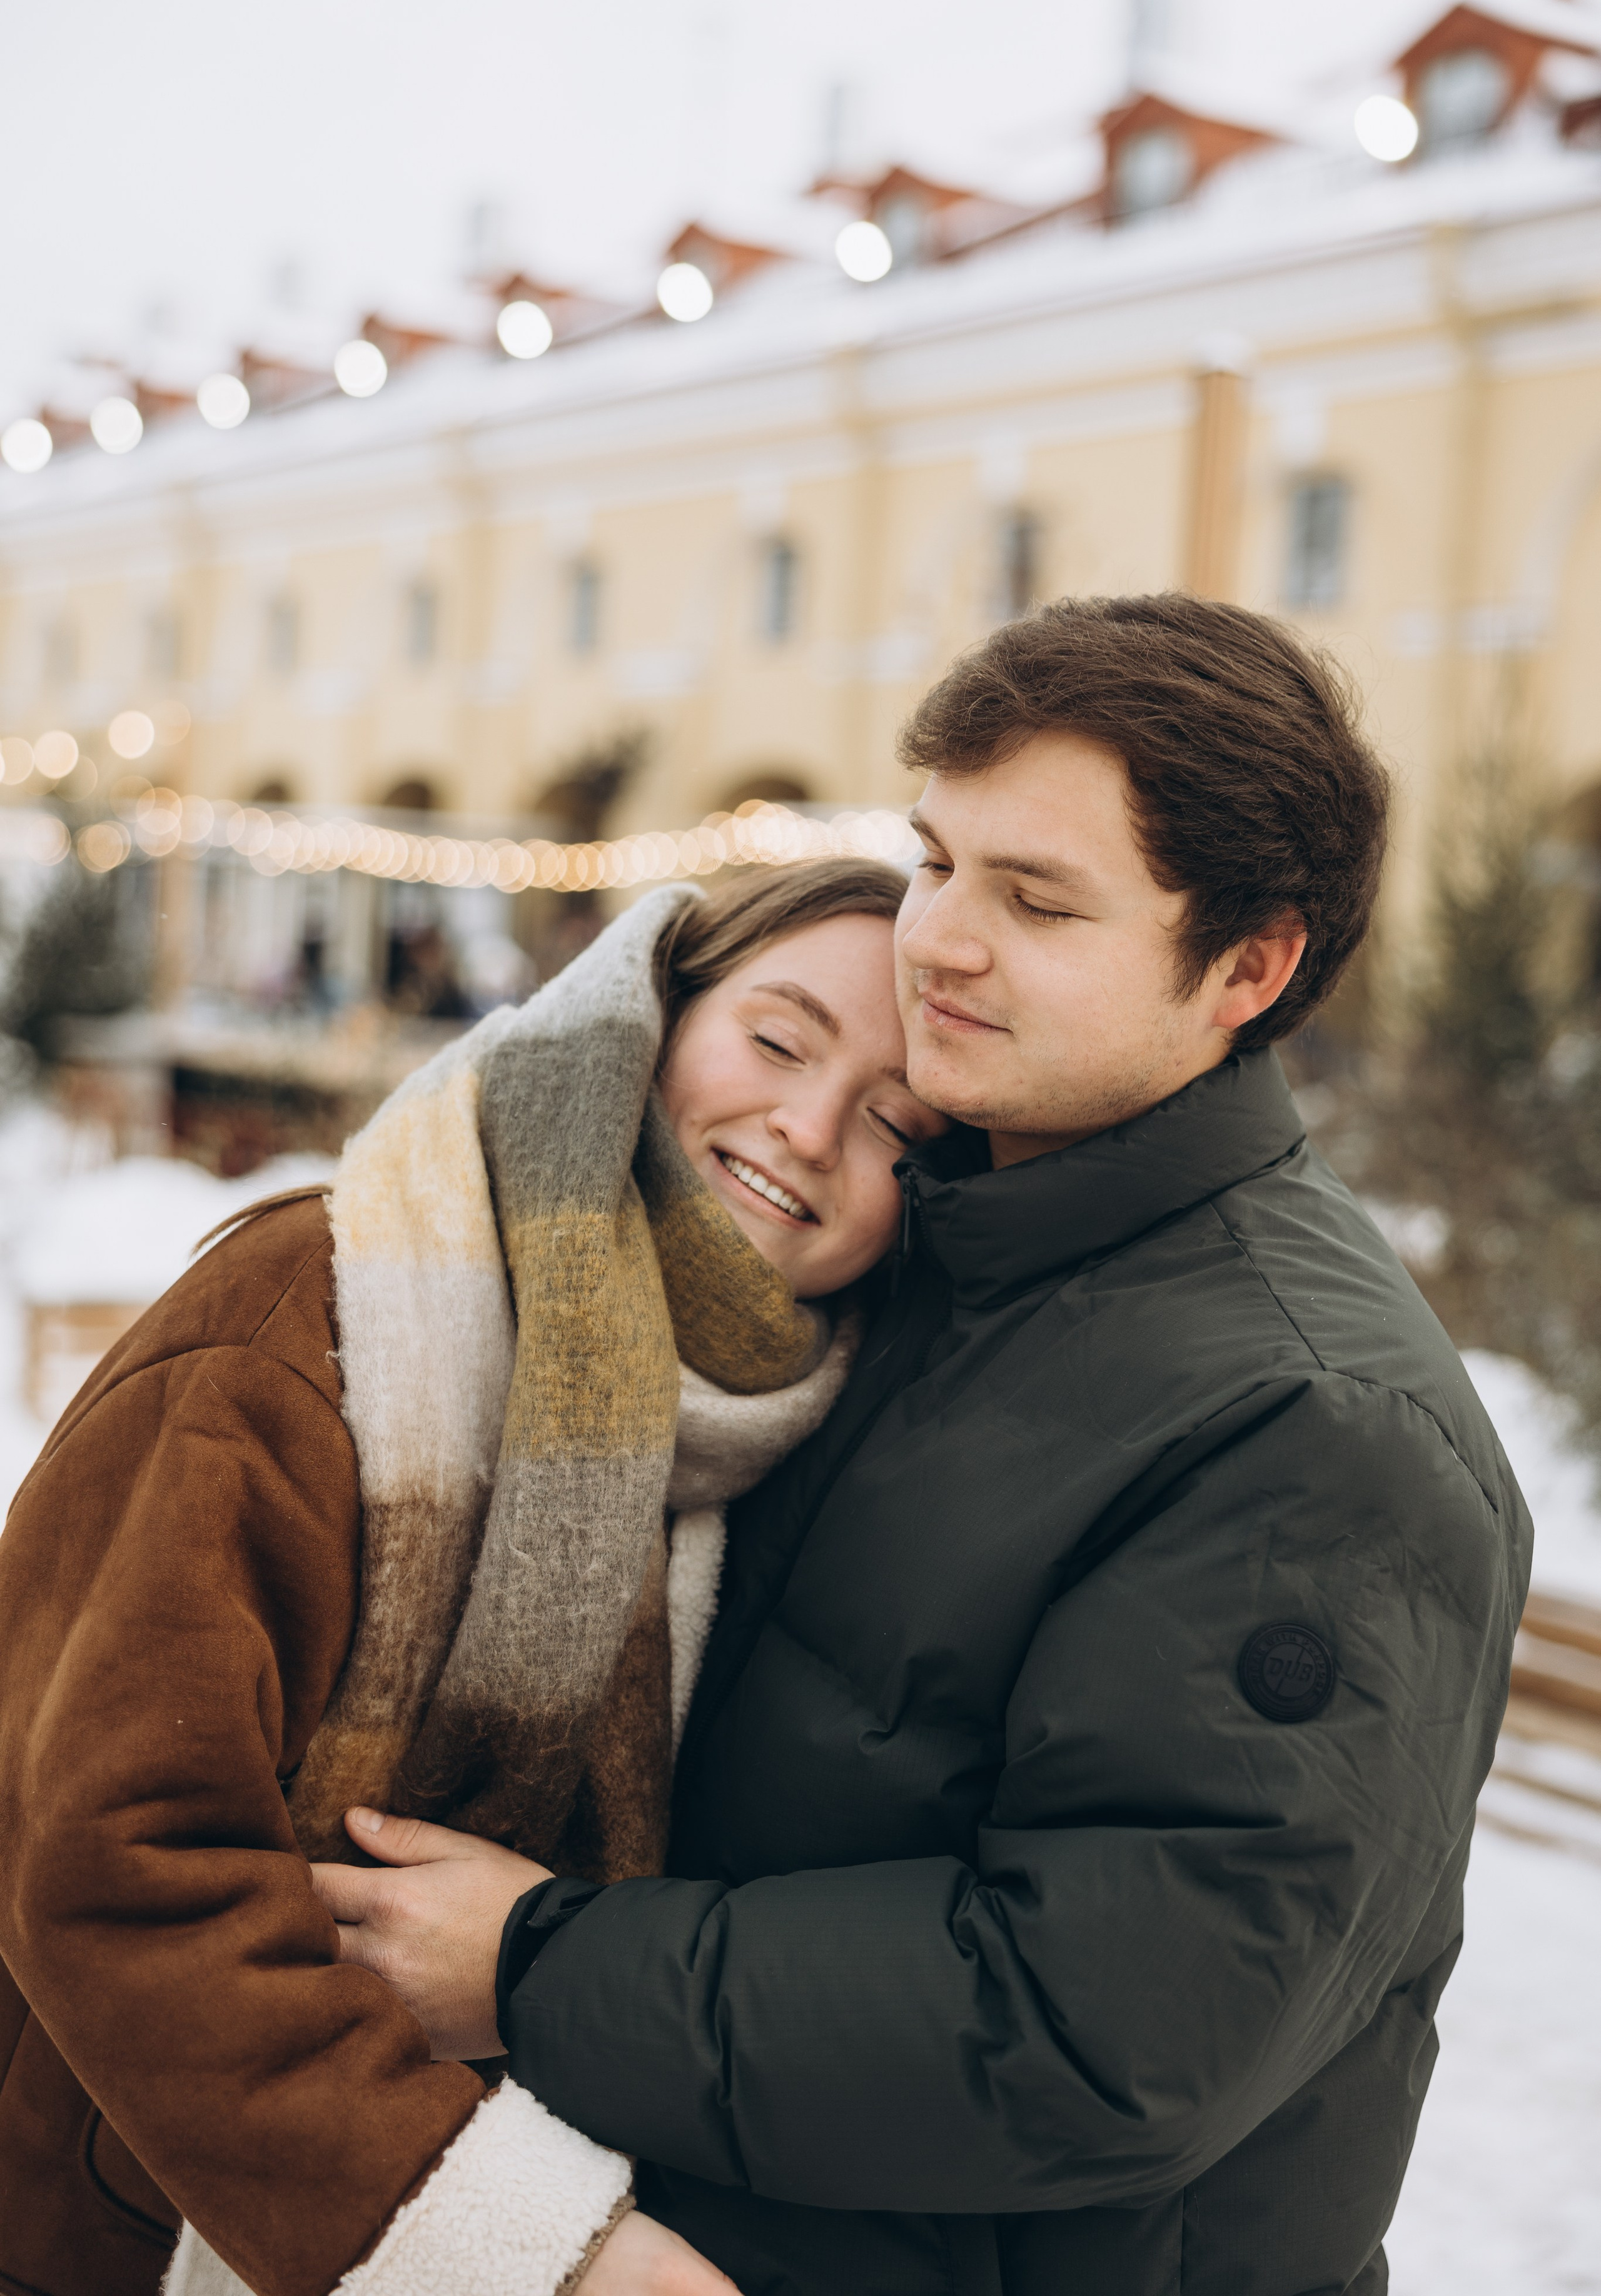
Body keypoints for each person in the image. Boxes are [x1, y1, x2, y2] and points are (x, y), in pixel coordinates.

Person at [319, 595, 1532, 2296]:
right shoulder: (941, 1239)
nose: (937, 940)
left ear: (1246, 969)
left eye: (1035, 900)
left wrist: (533, 1971)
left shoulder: (1311, 1427)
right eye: (937, 860)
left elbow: (1102, 2030)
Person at [0, 858, 945, 2296]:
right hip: (115, 2227)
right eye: (775, 1037)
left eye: (892, 1122)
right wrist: (529, 2251)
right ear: (651, 1010)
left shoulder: (786, 1445)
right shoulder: (308, 1313)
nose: (808, 1128)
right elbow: (117, 1859)